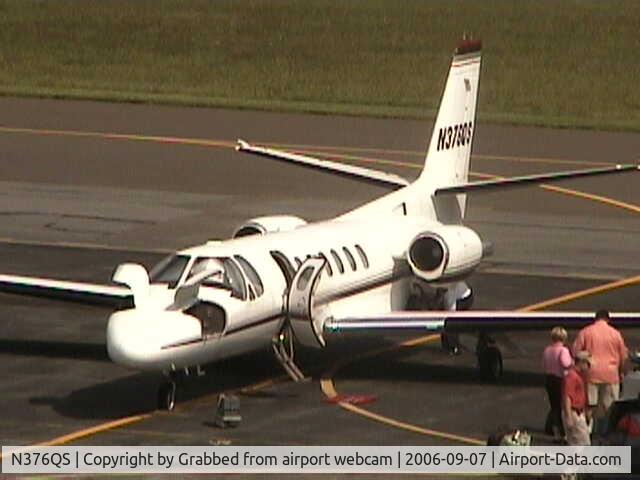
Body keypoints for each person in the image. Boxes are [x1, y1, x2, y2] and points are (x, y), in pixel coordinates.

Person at [572, 309, 628, 435]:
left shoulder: (586, 332)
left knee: (590, 405)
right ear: (608, 319)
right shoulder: (615, 334)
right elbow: (623, 356)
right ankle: (606, 432)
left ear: (595, 318)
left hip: (591, 373)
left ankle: (588, 431)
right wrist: (621, 371)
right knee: (609, 406)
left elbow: (576, 351)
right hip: (611, 374)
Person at [542, 326, 573, 439]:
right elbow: (565, 363)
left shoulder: (547, 350)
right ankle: (564, 432)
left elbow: (544, 365)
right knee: (564, 407)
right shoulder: (563, 350)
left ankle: (556, 433)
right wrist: (573, 363)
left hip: (549, 379)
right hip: (560, 380)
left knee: (554, 407)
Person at [562, 351, 592, 446]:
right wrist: (569, 417)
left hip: (578, 412)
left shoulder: (579, 376)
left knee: (579, 443)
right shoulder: (572, 377)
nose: (589, 367)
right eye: (588, 364)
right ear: (581, 363)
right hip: (573, 413)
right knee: (581, 443)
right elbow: (567, 397)